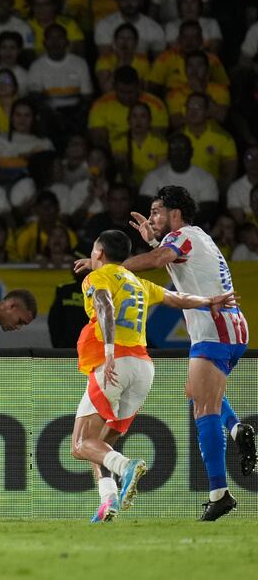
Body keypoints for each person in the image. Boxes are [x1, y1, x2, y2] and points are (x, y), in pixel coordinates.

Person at [76, 186, 256, 520]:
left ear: (175, 213)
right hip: (227, 327)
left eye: (157, 211)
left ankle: (220, 494)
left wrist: (109, 267)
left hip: (214, 330)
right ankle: (236, 430)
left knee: (204, 410)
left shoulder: (185, 236)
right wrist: (153, 242)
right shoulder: (192, 239)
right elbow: (170, 265)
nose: (152, 218)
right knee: (196, 393)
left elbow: (160, 260)